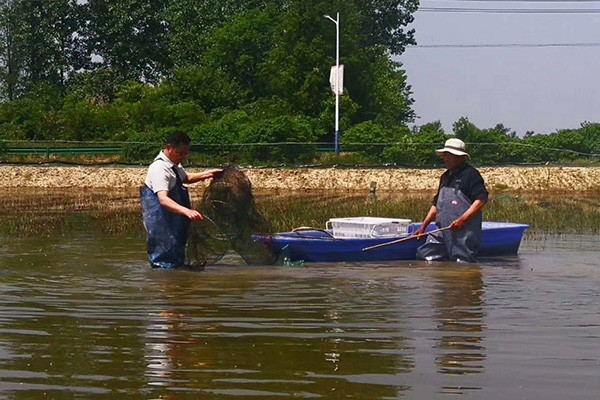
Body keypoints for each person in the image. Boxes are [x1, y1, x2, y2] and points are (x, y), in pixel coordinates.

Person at [140, 132, 221, 268]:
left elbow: (185, 178)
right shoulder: (160, 169)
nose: (183, 157)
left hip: (174, 222)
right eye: (180, 153)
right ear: (169, 148)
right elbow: (163, 200)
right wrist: (187, 211)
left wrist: (208, 174)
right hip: (162, 223)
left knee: (177, 257)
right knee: (164, 262)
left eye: (186, 154)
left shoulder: (173, 164)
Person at [414, 138, 489, 263]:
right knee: (424, 256)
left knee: (462, 263)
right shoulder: (445, 176)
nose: (445, 159)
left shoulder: (471, 174)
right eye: (444, 155)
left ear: (459, 157)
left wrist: (462, 220)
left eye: (448, 156)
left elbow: (481, 200)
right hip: (442, 231)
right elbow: (436, 204)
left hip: (463, 231)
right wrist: (423, 226)